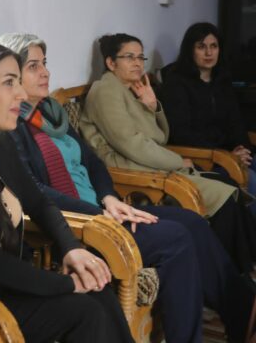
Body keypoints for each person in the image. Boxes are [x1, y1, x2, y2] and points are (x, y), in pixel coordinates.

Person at [0, 32, 256, 343]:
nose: (45, 72)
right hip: (84, 223)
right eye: (34, 66)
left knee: (193, 222)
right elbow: (34, 190)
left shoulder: (52, 113)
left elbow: (94, 163)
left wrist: (109, 198)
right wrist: (99, 212)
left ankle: (242, 310)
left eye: (45, 63)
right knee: (176, 239)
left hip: (104, 206)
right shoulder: (11, 126)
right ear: (11, 77)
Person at [0, 38, 134, 343]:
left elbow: (39, 202)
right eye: (9, 82)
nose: (22, 94)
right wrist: (66, 284)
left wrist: (71, 248)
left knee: (99, 290)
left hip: (14, 275)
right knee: (86, 310)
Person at [78, 32, 256, 275]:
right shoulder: (106, 90)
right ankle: (232, 273)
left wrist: (152, 106)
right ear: (111, 62)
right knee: (223, 198)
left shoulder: (131, 89)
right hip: (129, 169)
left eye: (140, 57)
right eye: (129, 57)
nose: (137, 63)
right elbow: (131, 143)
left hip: (148, 162)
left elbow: (161, 137)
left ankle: (243, 267)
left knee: (229, 186)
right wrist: (177, 161)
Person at [160, 22, 256, 215]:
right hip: (203, 158)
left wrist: (243, 150)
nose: (209, 53)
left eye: (214, 46)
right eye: (201, 46)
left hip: (229, 154)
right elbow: (181, 133)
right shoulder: (176, 83)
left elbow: (235, 122)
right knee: (252, 180)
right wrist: (228, 155)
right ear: (190, 50)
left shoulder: (222, 79)